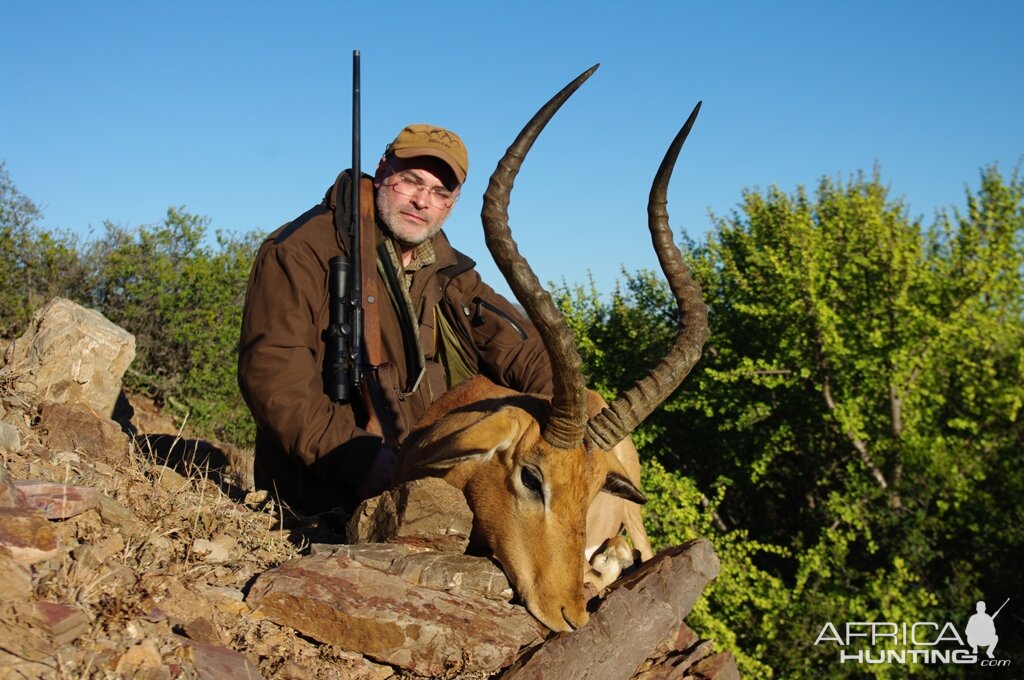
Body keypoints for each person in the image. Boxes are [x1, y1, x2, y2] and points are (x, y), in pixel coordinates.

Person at [237, 124, 553, 516]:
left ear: (451, 205)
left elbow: (525, 351)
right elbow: (273, 376)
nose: (422, 201)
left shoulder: (447, 270)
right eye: (411, 181)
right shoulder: (299, 249)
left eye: (440, 193)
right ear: (383, 169)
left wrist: (573, 418)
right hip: (324, 491)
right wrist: (356, 460)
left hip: (426, 481)